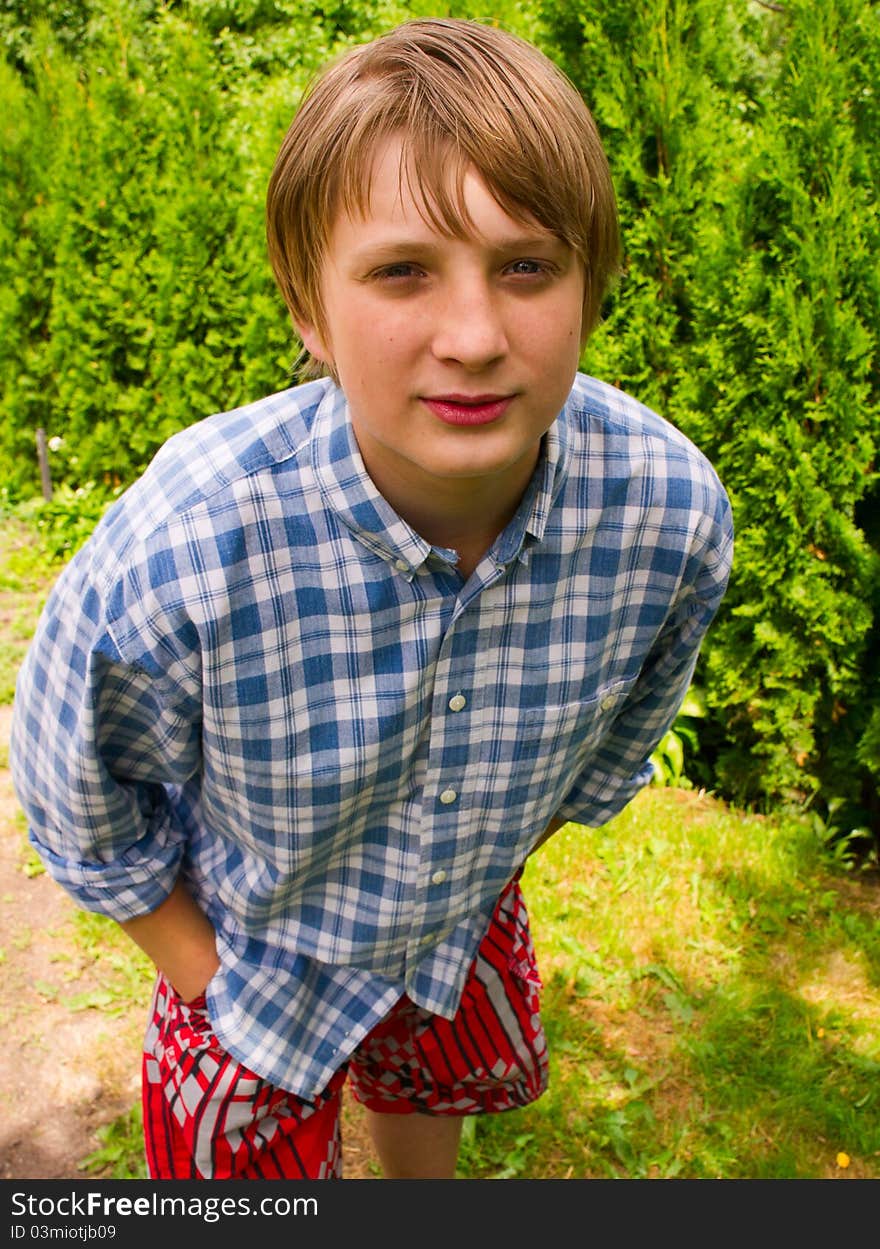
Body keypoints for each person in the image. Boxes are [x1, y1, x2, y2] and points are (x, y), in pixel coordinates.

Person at [10, 17, 733, 1180]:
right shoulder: (191, 542)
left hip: (458, 916)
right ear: (308, 306)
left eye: (527, 265)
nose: (474, 336)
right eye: (402, 270)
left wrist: (475, 860)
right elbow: (71, 784)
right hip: (253, 947)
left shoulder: (667, 517)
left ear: (592, 281)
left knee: (426, 1093)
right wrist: (208, 977)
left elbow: (614, 743)